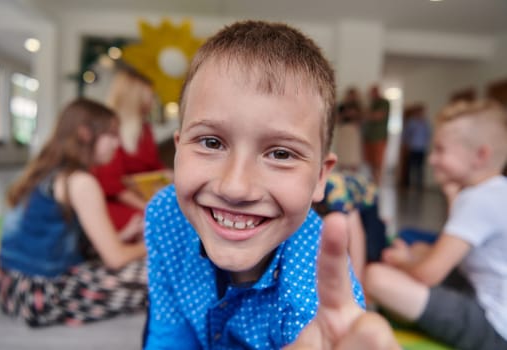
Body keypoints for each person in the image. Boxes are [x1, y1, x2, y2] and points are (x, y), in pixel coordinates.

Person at [143, 20, 399, 349]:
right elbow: (169, 336)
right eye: (211, 143)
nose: (235, 187)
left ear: (321, 176)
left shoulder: (313, 294)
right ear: (178, 151)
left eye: (280, 153)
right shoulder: (164, 214)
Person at [365, 99, 507, 350]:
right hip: (482, 294)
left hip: (495, 329)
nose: (432, 159)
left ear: (480, 155)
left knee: (376, 276)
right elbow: (455, 243)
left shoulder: (478, 199)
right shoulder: (495, 191)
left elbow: (427, 273)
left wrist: (400, 261)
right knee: (420, 248)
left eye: (441, 150)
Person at [0, 98, 147, 327]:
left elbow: (59, 240)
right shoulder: (80, 181)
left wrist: (125, 235)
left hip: (9, 285)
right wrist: (153, 243)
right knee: (157, 275)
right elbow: (115, 259)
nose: (117, 144)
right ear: (85, 133)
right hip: (40, 293)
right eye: (112, 135)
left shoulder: (50, 172)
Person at [92, 68, 171, 231]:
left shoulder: (145, 129)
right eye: (150, 95)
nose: (153, 101)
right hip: (117, 203)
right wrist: (147, 206)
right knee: (163, 221)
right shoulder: (110, 131)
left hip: (141, 196)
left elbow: (154, 165)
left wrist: (169, 175)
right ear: (136, 97)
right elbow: (111, 185)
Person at [313, 172, 388, 282]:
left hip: (367, 199)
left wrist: (357, 283)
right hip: (335, 203)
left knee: (373, 252)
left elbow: (357, 235)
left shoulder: (335, 192)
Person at [363, 85, 390, 184]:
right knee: (370, 161)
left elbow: (379, 116)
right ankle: (374, 181)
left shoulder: (384, 102)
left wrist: (367, 115)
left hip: (379, 137)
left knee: (378, 161)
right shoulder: (372, 104)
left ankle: (378, 181)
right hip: (369, 137)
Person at [334, 87, 364, 172]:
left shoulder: (358, 106)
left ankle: (353, 176)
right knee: (343, 153)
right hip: (343, 130)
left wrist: (355, 116)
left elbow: (361, 121)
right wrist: (345, 114)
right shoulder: (342, 106)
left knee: (353, 154)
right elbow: (336, 120)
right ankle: (342, 175)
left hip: (353, 131)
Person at [402, 105, 430, 189]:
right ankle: (411, 184)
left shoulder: (425, 123)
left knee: (420, 167)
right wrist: (406, 144)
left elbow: (428, 134)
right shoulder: (411, 122)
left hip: (421, 148)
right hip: (413, 147)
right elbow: (406, 134)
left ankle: (419, 184)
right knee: (412, 167)